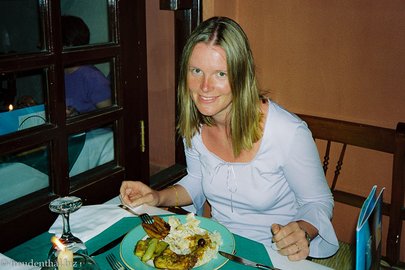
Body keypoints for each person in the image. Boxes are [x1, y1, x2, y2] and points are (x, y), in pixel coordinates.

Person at [120, 16, 339, 261]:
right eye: (197, 71)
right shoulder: (195, 126)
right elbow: (197, 179)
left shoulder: (288, 132)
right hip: (217, 248)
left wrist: (303, 230)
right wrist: (157, 196)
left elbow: (318, 201)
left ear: (241, 75)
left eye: (220, 74)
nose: (205, 86)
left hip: (276, 255)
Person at [61, 15, 111, 117]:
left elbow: (111, 120)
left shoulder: (92, 77)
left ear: (68, 45)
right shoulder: (57, 73)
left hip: (94, 132)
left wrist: (78, 117)